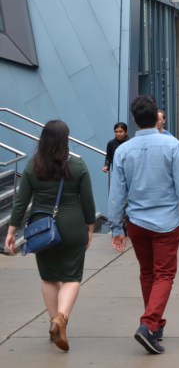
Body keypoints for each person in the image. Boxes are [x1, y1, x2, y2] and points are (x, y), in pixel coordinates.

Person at [108, 95, 179, 355]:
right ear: (156, 117)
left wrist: (116, 228)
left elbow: (116, 193)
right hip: (165, 222)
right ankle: (149, 324)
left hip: (136, 221)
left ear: (134, 120)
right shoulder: (172, 146)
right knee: (164, 274)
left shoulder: (123, 150)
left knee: (147, 273)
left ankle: (156, 324)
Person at [5, 120, 96, 352]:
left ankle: (54, 321)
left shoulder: (32, 166)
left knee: (49, 278)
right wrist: (89, 226)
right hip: (73, 225)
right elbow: (87, 201)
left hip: (43, 228)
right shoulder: (78, 165)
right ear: (65, 140)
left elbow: (21, 202)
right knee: (72, 277)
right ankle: (61, 320)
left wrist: (12, 230)